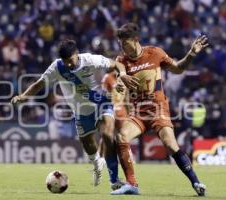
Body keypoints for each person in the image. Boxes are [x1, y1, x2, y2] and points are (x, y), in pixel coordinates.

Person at [11, 39, 139, 190]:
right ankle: (96, 162)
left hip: (101, 104)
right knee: (88, 145)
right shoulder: (57, 67)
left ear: (76, 54)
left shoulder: (90, 59)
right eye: (65, 62)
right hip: (80, 111)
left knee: (107, 136)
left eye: (70, 60)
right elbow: (39, 84)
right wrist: (24, 96)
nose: (69, 65)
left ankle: (114, 180)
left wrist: (122, 75)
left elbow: (117, 64)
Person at [110, 23, 208, 196]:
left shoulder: (155, 53)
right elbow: (121, 77)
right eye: (120, 44)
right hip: (137, 112)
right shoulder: (121, 60)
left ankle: (196, 182)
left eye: (125, 43)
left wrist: (191, 54)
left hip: (158, 109)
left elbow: (178, 69)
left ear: (136, 40)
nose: (122, 47)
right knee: (121, 137)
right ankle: (132, 184)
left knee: (170, 145)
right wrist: (119, 85)